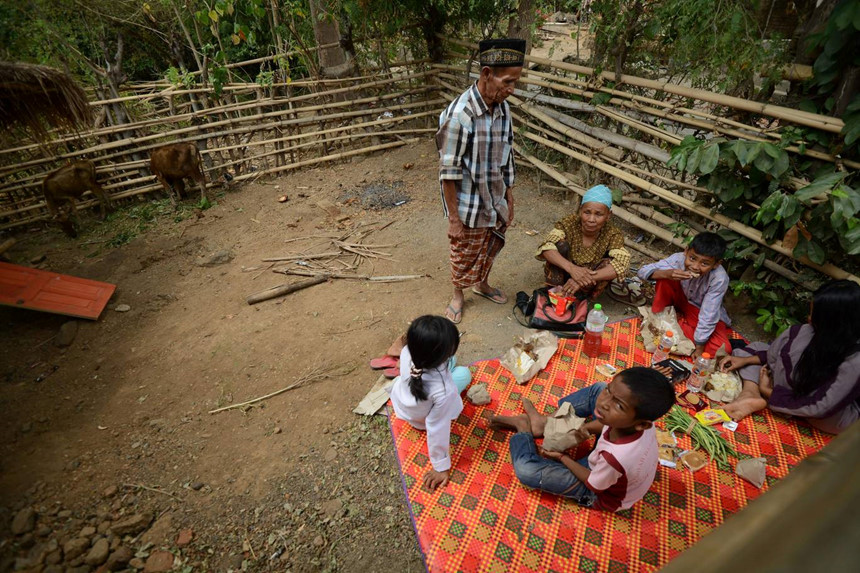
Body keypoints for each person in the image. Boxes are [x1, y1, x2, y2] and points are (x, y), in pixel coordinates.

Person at [489, 367, 675, 511]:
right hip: (604, 464)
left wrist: (562, 457)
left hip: (597, 490)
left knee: (526, 471)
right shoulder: (634, 423)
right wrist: (581, 431)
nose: (604, 403)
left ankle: (523, 428)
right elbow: (607, 423)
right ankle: (544, 423)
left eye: (618, 405)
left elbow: (594, 483)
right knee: (598, 389)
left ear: (642, 424)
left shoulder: (617, 458)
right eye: (610, 392)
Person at [436, 38, 525, 324]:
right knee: (462, 251)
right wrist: (453, 218)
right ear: (487, 74)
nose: (511, 90)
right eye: (507, 82)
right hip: (469, 202)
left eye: (515, 83)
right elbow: (448, 170)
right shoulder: (460, 115)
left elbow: (507, 152)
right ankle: (458, 295)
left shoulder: (503, 108)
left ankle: (482, 283)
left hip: (495, 196)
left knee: (490, 244)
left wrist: (509, 194)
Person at [719, 280, 860, 433]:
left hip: (819, 410)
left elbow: (822, 406)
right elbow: (773, 355)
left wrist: (769, 392)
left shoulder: (855, 360)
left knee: (831, 419)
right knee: (755, 349)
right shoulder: (805, 331)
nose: (809, 317)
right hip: (789, 388)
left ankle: (759, 394)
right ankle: (750, 394)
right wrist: (745, 360)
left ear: (834, 322)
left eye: (815, 315)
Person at [387, 315, 468, 491]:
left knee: (452, 364)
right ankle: (452, 365)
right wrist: (441, 466)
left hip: (404, 403)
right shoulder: (444, 391)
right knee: (464, 373)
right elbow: (437, 426)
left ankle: (448, 363)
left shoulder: (408, 352)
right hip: (421, 420)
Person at [637, 232, 731, 358]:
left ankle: (672, 323)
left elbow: (709, 313)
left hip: (698, 311)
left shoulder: (719, 278)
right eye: (692, 258)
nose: (695, 267)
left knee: (723, 349)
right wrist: (667, 274)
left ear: (716, 264)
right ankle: (661, 317)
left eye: (705, 263)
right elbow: (642, 271)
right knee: (664, 279)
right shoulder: (678, 259)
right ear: (686, 251)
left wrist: (700, 346)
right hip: (678, 301)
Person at [536, 184, 631, 301]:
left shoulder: (612, 234)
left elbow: (623, 265)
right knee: (558, 245)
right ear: (580, 211)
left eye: (598, 214)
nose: (591, 219)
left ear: (608, 215)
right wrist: (572, 269)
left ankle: (584, 297)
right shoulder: (569, 223)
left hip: (590, 282)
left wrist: (582, 278)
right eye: (587, 212)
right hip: (564, 272)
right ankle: (555, 289)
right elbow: (546, 247)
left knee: (609, 263)